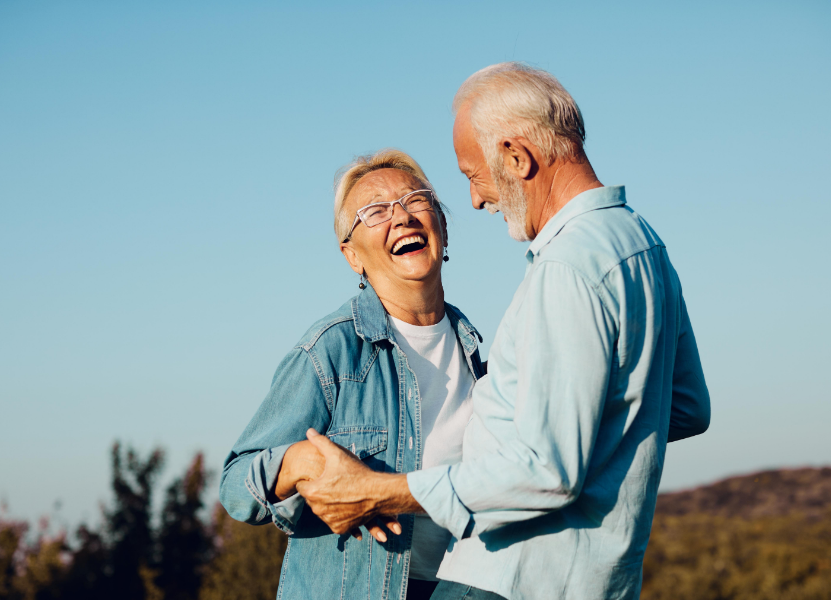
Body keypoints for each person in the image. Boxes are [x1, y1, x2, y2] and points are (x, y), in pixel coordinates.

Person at [296, 62, 712, 600]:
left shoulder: (566, 268)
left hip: (507, 578)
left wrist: (381, 491)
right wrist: (585, 438)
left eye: (473, 174)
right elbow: (684, 407)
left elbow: (547, 471)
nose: (474, 199)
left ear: (517, 156)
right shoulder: (643, 243)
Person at [219, 149, 486, 600]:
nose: (401, 216)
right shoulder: (331, 350)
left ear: (442, 226)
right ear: (352, 256)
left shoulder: (479, 355)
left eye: (416, 200)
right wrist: (301, 462)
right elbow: (235, 484)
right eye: (375, 210)